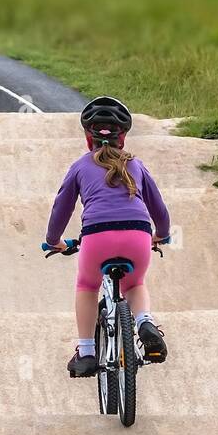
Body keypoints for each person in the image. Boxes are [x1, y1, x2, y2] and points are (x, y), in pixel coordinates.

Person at [46, 96, 171, 378]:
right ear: (122, 137)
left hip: (96, 237)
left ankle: (87, 353)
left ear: (88, 137)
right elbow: (160, 210)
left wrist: (54, 240)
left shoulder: (80, 166)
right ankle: (145, 322)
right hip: (138, 234)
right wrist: (161, 235)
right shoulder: (136, 165)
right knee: (134, 283)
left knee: (87, 286)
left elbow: (61, 208)